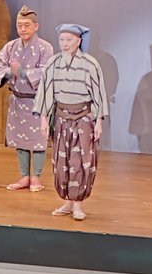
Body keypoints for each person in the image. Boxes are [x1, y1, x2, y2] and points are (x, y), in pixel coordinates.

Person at [33, 23, 108, 221]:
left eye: (69, 40)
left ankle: (78, 204)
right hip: (61, 118)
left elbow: (99, 94)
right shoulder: (53, 63)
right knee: (61, 162)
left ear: (79, 41)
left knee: (81, 161)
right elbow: (45, 92)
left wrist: (99, 122)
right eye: (62, 40)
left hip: (83, 118)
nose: (64, 44)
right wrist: (43, 120)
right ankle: (67, 202)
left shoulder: (90, 64)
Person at [0, 6, 55, 192]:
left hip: (37, 100)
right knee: (20, 139)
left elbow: (47, 71)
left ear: (36, 26)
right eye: (19, 25)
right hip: (17, 100)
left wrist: (23, 73)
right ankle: (24, 176)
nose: (22, 29)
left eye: (27, 25)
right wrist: (10, 72)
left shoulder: (45, 47)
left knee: (38, 139)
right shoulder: (11, 46)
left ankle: (36, 177)